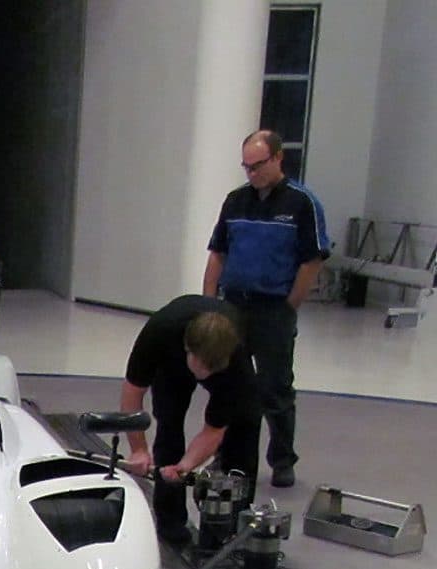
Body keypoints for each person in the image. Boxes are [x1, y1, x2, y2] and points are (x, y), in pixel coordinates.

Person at [203, 129, 329, 488]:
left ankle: (282, 459)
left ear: (277, 158)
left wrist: (289, 305)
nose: (252, 173)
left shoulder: (302, 203)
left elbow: (312, 261)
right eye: (246, 167)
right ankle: (226, 454)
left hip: (273, 308)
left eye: (258, 165)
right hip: (234, 306)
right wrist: (209, 303)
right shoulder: (235, 201)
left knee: (275, 386)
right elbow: (218, 253)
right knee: (230, 383)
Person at [121, 295, 261, 546]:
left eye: (212, 370)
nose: (205, 375)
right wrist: (138, 449)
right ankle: (170, 519)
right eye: (202, 367)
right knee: (169, 424)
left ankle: (232, 523)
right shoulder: (160, 332)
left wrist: (185, 467)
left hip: (228, 367)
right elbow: (132, 393)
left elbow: (214, 430)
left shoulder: (235, 362)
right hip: (171, 364)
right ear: (188, 349)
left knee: (244, 427)